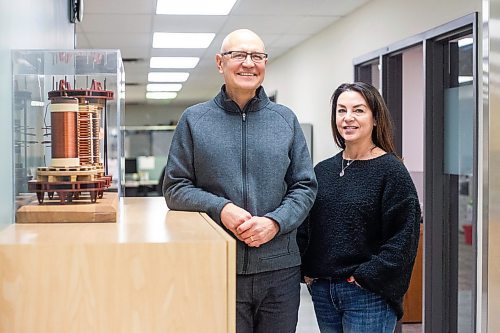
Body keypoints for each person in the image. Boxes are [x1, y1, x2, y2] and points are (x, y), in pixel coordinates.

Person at [163, 29, 317, 333]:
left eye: (257, 56)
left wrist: (274, 222)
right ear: (220, 62)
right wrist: (222, 209)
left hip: (280, 271)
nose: (249, 63)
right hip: (218, 266)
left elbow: (304, 185)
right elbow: (175, 187)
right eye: (239, 55)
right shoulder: (194, 120)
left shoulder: (285, 120)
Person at [297, 82, 421, 333]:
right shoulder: (323, 170)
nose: (348, 118)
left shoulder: (391, 171)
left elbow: (404, 237)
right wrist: (306, 269)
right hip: (323, 292)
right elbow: (308, 226)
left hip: (367, 295)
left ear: (375, 118)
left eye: (358, 110)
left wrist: (366, 277)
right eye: (341, 110)